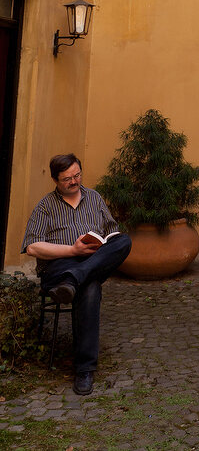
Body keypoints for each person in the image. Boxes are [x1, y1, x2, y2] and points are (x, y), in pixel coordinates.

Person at [22, 153, 131, 396]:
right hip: (58, 268)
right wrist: (73, 249)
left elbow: (113, 234)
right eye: (67, 179)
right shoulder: (45, 206)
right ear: (55, 180)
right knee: (91, 287)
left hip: (89, 262)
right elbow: (31, 247)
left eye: (77, 175)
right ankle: (84, 370)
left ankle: (76, 278)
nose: (74, 182)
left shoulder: (94, 198)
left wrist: (101, 245)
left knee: (124, 241)